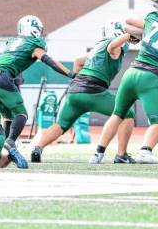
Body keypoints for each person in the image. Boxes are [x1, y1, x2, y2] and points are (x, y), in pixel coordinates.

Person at [89, 2, 158, 164]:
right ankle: (145, 151)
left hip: (131, 73)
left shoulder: (153, 19)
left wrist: (145, 34)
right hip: (150, 77)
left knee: (117, 114)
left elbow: (128, 21)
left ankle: (98, 153)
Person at [29, 21, 135, 163]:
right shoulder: (112, 46)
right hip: (93, 91)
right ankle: (121, 155)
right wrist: (129, 35)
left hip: (74, 91)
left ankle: (38, 148)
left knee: (61, 125)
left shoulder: (97, 48)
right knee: (128, 114)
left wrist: (79, 80)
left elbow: (78, 61)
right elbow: (113, 45)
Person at [0, 15, 75, 169]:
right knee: (22, 114)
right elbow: (49, 61)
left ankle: (1, 149)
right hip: (2, 77)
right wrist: (70, 73)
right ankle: (10, 143)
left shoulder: (12, 43)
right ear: (33, 30)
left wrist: (15, 78)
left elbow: (10, 61)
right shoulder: (34, 45)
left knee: (7, 116)